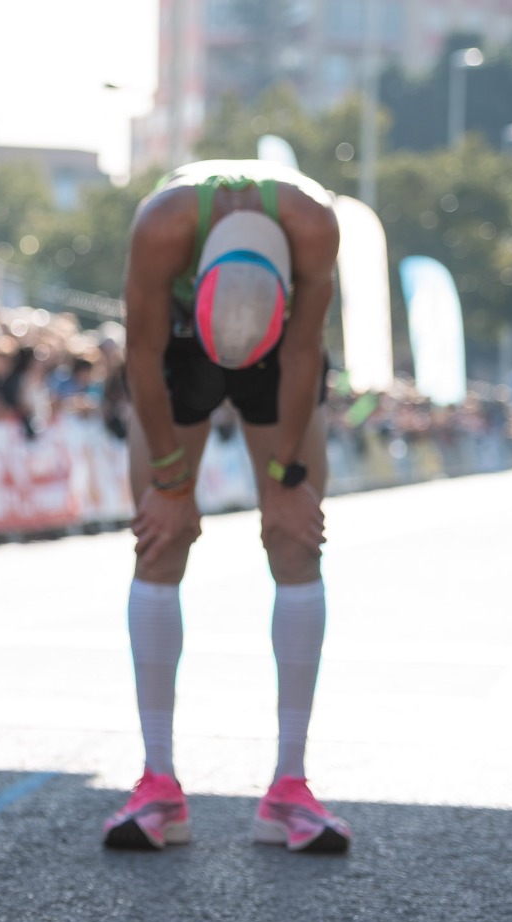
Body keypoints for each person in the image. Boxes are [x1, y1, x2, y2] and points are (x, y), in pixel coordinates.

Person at [105, 159, 350, 854]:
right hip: (178, 346)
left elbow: (303, 355)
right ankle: (158, 781)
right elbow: (143, 358)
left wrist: (287, 474)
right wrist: (174, 483)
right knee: (158, 536)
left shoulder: (312, 223)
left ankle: (290, 786)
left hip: (283, 352)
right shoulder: (164, 225)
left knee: (296, 535)